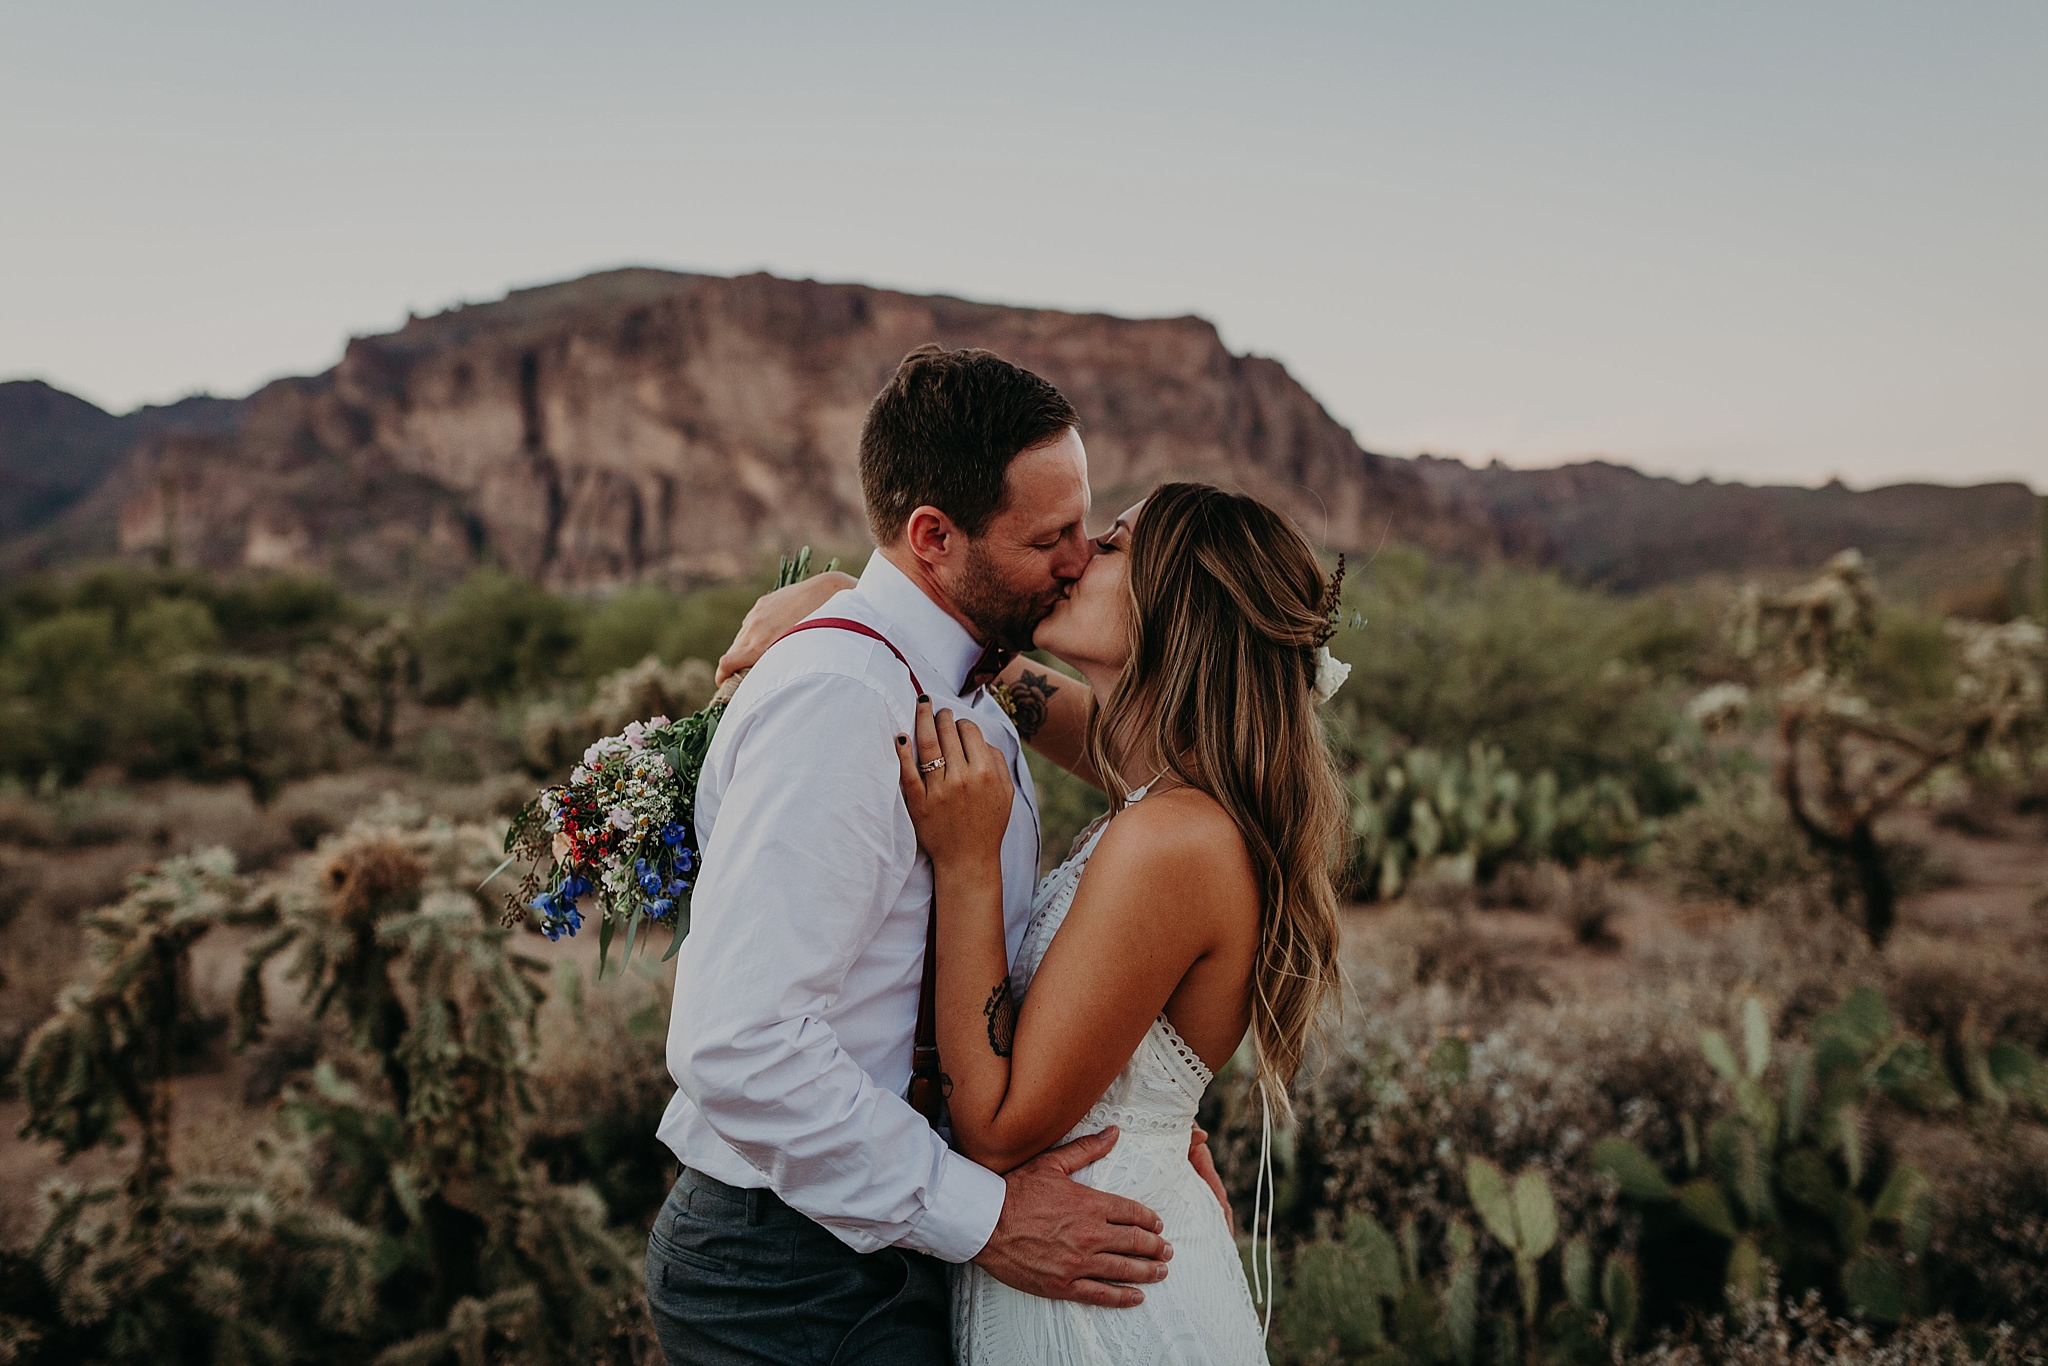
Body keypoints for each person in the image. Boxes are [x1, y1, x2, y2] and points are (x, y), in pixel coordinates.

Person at [650, 346, 1231, 1365]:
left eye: (1087, 532)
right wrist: (987, 1217)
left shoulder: (967, 682)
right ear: (932, 535)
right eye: (1049, 537)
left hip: (884, 1243)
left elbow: (1147, 760)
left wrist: (1138, 1118)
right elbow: (734, 1042)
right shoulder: (844, 699)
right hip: (802, 1268)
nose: (1074, 559)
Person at [728, 481, 1351, 1364]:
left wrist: (968, 862)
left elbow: (994, 1125)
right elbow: (1008, 686)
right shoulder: (1164, 783)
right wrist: (851, 599)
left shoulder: (1172, 837)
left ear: (1177, 608)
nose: (1075, 556)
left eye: (1112, 546)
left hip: (1104, 1299)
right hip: (1082, 1250)